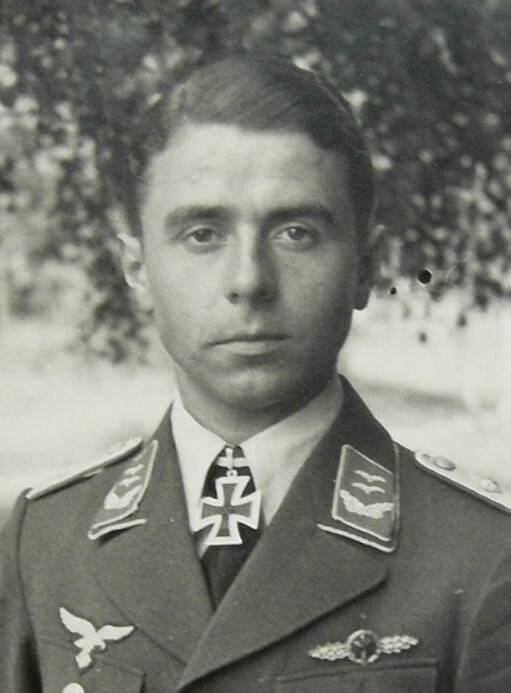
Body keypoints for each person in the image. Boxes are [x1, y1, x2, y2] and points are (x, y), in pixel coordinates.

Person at [1, 55, 511, 693]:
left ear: (365, 267)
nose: (248, 281)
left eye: (296, 233)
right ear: (137, 267)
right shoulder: (45, 541)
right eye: (202, 234)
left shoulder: (483, 555)